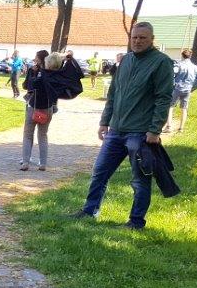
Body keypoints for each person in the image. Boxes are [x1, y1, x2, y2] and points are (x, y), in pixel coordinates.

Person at [73, 22, 172, 230]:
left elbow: (163, 98)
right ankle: (90, 210)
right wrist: (104, 121)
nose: (137, 41)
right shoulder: (126, 60)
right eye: (134, 37)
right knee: (100, 172)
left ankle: (136, 221)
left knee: (140, 180)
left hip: (140, 132)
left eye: (142, 38)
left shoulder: (161, 62)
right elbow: (113, 93)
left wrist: (155, 129)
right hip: (116, 130)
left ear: (152, 39)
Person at [21, 51, 82, 171]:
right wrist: (67, 58)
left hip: (34, 108)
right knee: (43, 135)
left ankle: (25, 162)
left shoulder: (42, 76)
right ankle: (43, 163)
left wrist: (32, 73)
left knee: (28, 135)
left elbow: (30, 85)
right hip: (47, 108)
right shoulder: (59, 77)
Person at [166, 49, 197, 133]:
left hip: (176, 88)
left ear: (182, 55)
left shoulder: (178, 65)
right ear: (190, 56)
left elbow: (171, 75)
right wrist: (193, 87)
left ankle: (168, 127)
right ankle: (181, 128)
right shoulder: (194, 67)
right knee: (184, 108)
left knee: (170, 107)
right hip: (187, 89)